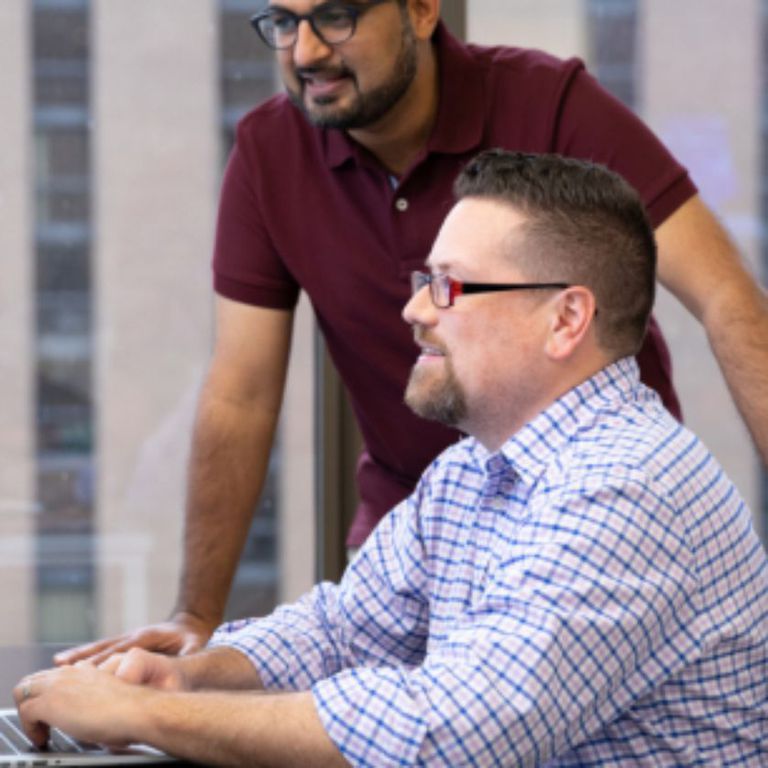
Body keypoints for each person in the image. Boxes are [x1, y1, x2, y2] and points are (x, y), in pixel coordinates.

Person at [55, 0, 768, 666]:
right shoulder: (268, 152)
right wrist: (195, 619)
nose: (305, 51)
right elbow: (239, 394)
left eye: (335, 16)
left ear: (423, 9)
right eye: (282, 20)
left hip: (582, 504)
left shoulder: (549, 105)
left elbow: (729, 300)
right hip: (415, 525)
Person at [18, 151, 768, 767]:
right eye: (422, 282)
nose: (413, 311)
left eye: (447, 287)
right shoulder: (476, 468)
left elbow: (448, 732)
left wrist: (148, 715)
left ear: (566, 318)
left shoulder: (625, 488)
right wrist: (184, 676)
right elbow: (348, 629)